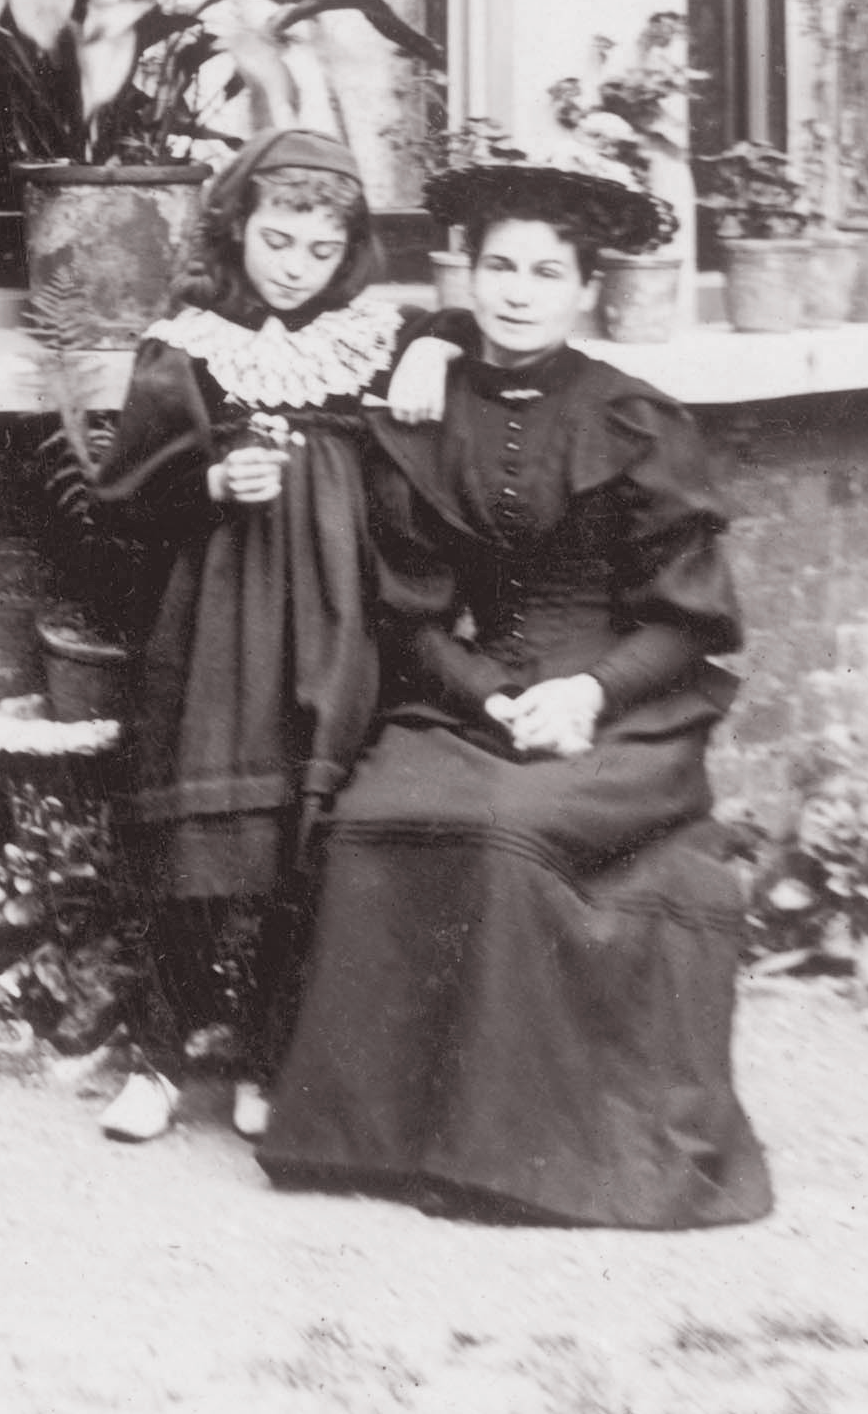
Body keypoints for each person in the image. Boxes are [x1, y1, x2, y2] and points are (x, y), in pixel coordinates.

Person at [258, 160, 774, 1228]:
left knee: (502, 829)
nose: (519, 291)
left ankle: (517, 1154)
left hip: (622, 709)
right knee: (373, 818)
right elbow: (408, 610)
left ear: (585, 289)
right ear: (469, 274)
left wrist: (586, 691)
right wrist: (489, 696)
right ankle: (374, 1143)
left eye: (547, 271)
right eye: (499, 267)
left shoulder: (633, 421)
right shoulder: (427, 392)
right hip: (471, 693)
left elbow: (686, 622)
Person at [80, 125, 405, 1145]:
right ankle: (161, 1052)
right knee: (196, 827)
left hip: (332, 614)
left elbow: (414, 465)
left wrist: (433, 345)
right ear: (238, 228)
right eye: (278, 239)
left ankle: (270, 1051)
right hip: (215, 612)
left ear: (347, 251)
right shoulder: (188, 349)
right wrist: (213, 479)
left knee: (302, 835)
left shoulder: (367, 345)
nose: (296, 266)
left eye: (320, 250)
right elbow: (124, 497)